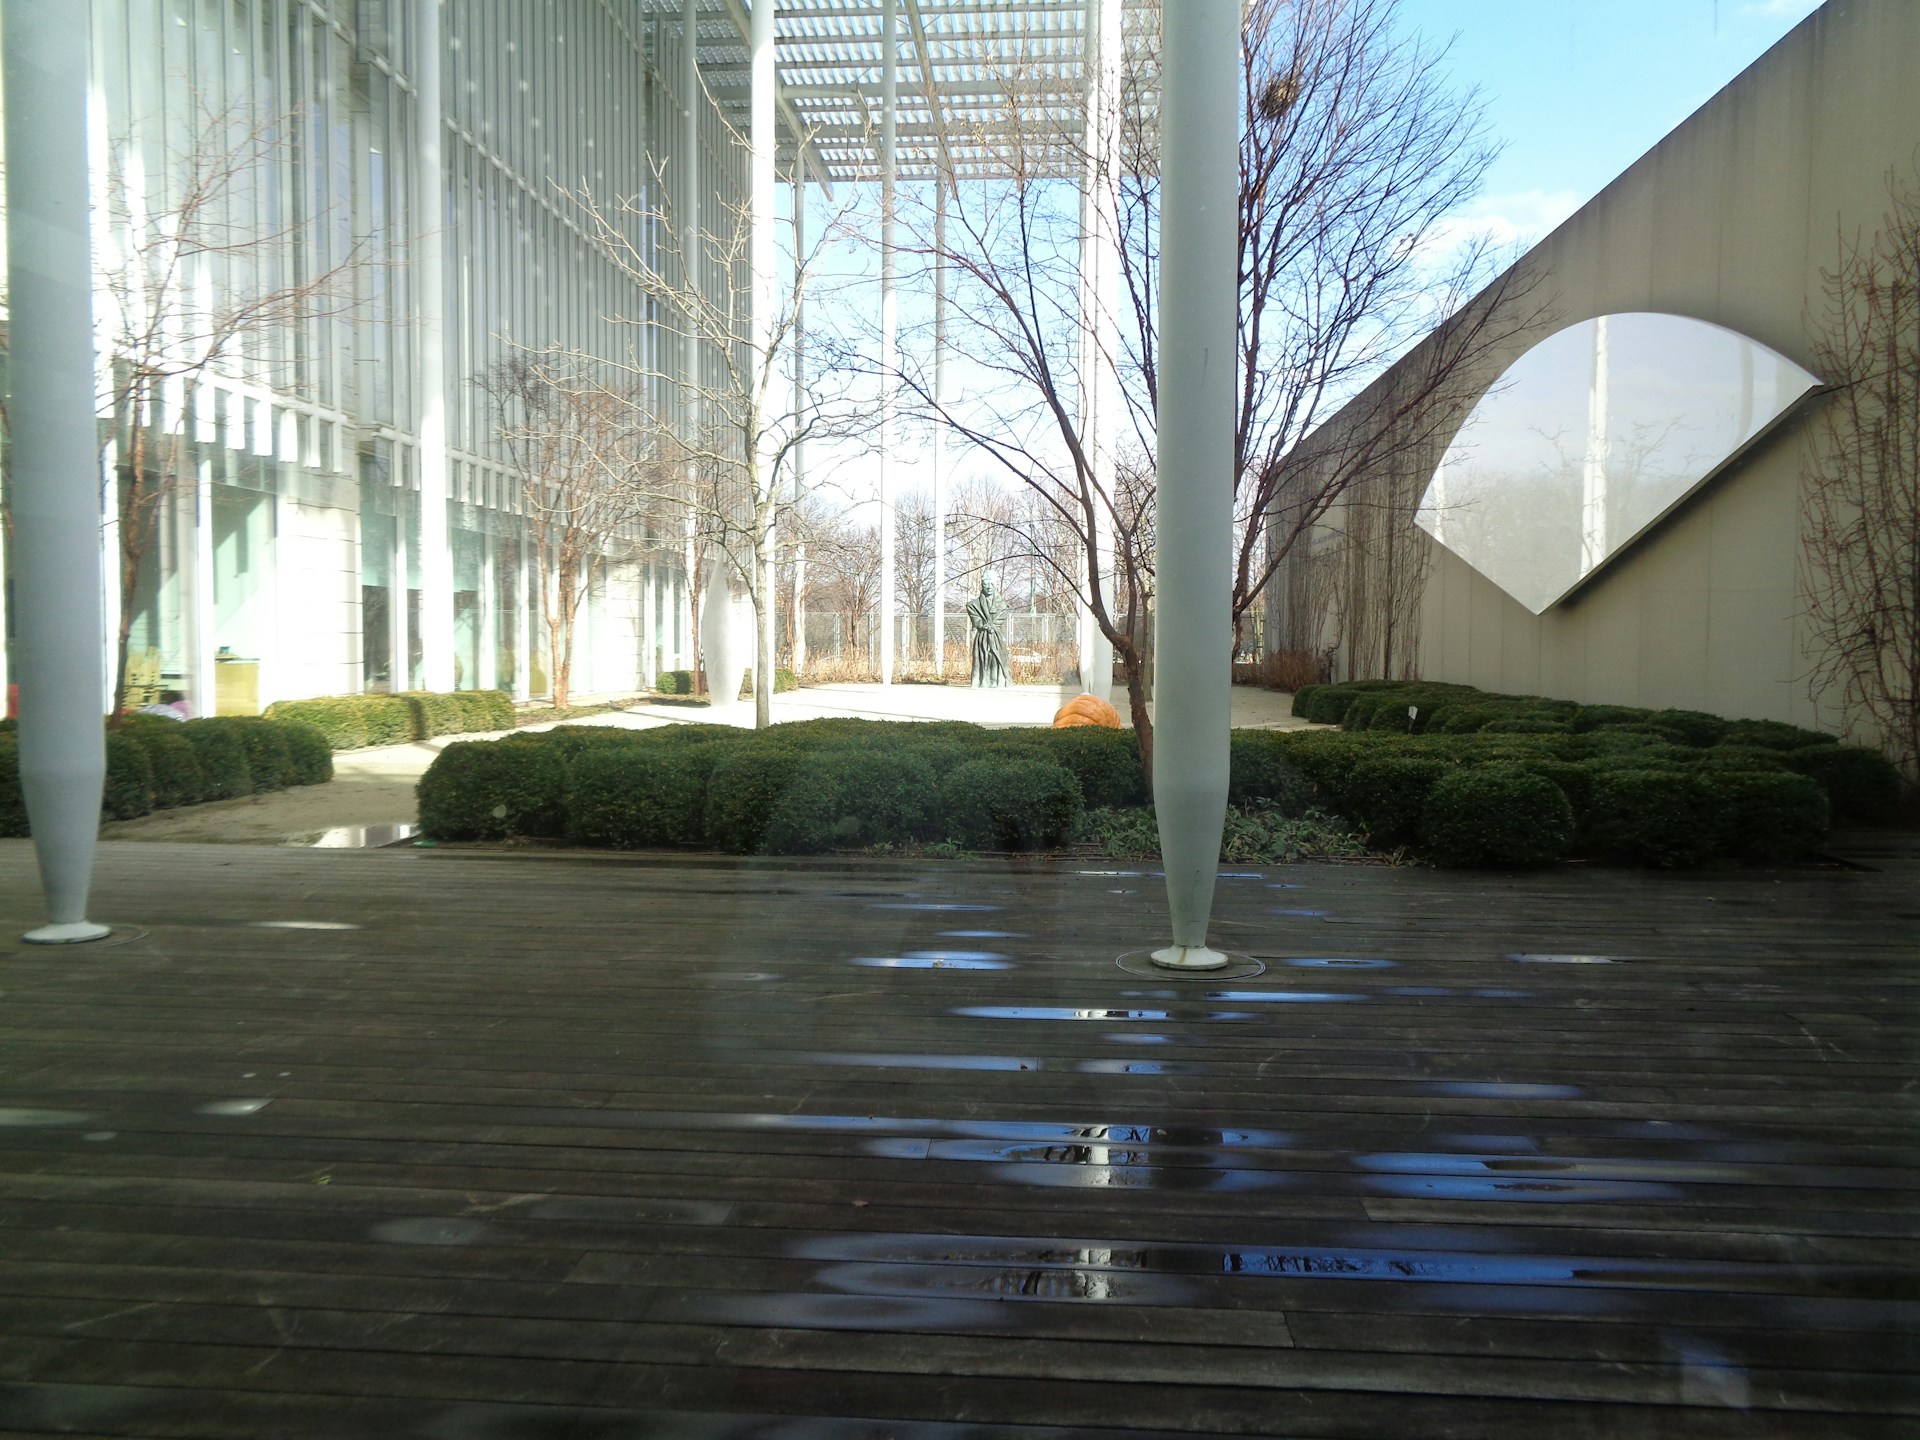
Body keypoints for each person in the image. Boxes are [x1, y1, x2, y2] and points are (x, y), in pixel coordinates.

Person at [966, 575, 1013, 689]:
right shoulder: (973, 605)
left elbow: (1001, 619)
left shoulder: (1003, 605)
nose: (989, 587)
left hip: (996, 636)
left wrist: (992, 626)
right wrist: (982, 624)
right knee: (982, 657)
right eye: (986, 584)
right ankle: (982, 680)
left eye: (992, 584)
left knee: (996, 658)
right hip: (982, 636)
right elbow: (975, 619)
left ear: (995, 585)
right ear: (982, 585)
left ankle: (996, 680)